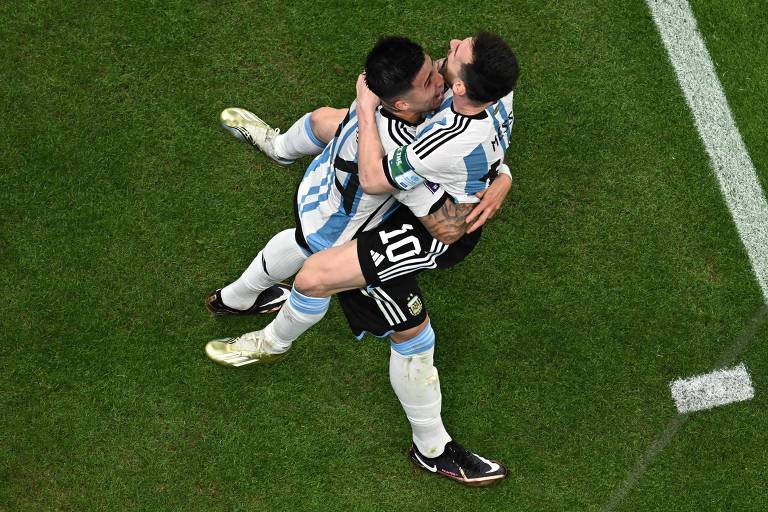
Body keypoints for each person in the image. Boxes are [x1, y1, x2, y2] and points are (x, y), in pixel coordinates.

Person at [206, 34, 518, 486]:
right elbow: (375, 164)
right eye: (433, 72)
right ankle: (255, 316)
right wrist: (498, 174)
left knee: (335, 284)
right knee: (323, 128)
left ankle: (430, 446)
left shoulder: (416, 133)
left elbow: (432, 216)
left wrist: (498, 178)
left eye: (444, 66)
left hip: (430, 228)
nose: (445, 53)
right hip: (346, 213)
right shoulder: (495, 91)